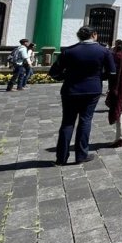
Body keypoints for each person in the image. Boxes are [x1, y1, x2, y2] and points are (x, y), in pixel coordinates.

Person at [50, 26, 116, 165]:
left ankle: (61, 157)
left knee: (67, 122)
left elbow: (54, 73)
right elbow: (112, 73)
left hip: (71, 90)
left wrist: (66, 77)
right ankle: (81, 155)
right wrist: (99, 78)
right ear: (94, 35)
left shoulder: (68, 51)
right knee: (85, 121)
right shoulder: (104, 51)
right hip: (92, 89)